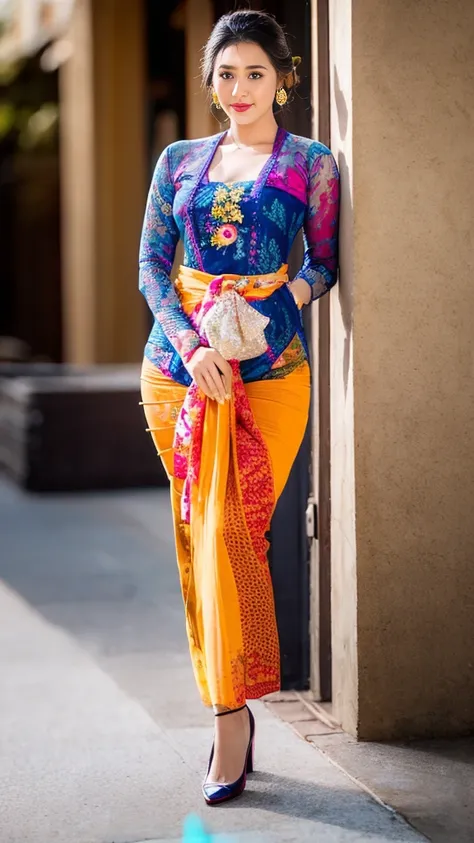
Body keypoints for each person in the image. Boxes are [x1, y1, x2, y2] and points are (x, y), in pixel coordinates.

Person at [139, 9, 340, 806]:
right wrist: (194, 348)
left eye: (256, 72)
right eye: (226, 73)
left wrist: (263, 323)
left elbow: (321, 263)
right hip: (178, 372)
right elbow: (154, 264)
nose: (240, 87)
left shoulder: (310, 164)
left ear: (283, 78)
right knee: (197, 531)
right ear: (210, 82)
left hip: (269, 370)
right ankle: (230, 714)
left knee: (233, 532)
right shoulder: (180, 161)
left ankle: (234, 717)